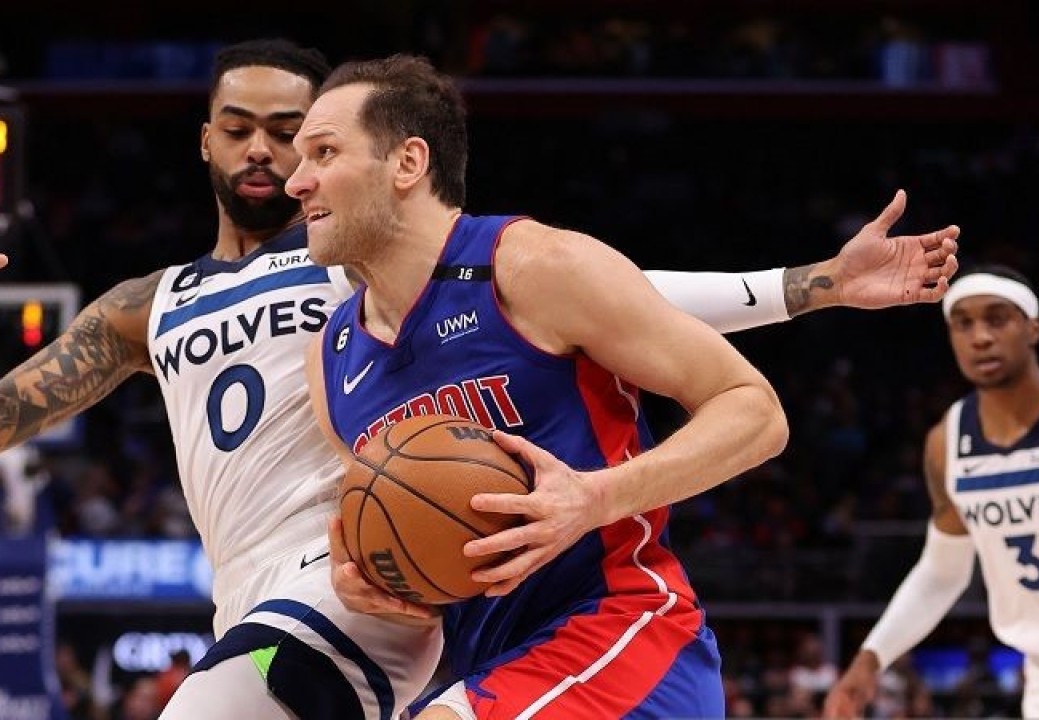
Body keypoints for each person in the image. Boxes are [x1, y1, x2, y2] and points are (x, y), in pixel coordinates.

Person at [0, 38, 959, 720]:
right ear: (203, 142)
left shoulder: (386, 262)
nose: (276, 160)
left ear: (386, 159)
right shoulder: (164, 305)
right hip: (375, 580)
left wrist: (806, 284)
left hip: (348, 605)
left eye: (300, 137)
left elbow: (624, 296)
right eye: (242, 131)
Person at [290, 53, 956, 719]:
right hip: (500, 665)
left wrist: (593, 497)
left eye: (324, 152)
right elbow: (416, 534)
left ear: (407, 163)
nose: (297, 181)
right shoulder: (333, 358)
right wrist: (376, 582)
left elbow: (754, 412)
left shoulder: (532, 267)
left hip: (625, 635)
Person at [823, 265, 1039, 719]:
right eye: (964, 324)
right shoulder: (948, 441)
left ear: (1033, 329)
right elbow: (942, 573)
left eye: (997, 319)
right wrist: (871, 658)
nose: (980, 337)